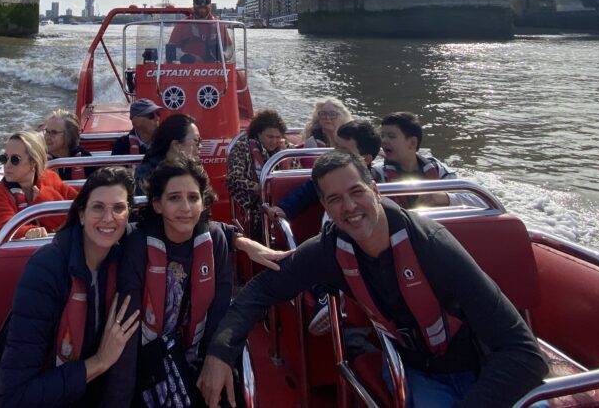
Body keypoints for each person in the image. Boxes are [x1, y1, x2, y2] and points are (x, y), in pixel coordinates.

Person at [197, 151, 548, 408]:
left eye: (356, 192)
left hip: (487, 368)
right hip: (421, 373)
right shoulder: (329, 251)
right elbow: (260, 290)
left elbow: (524, 353)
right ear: (325, 208)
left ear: (376, 191)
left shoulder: (432, 246)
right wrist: (219, 352)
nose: (349, 207)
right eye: (335, 199)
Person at [103, 158, 290, 407]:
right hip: (148, 361)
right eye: (174, 198)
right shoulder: (137, 245)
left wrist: (217, 360)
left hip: (199, 355)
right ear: (157, 204)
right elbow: (127, 332)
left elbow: (219, 314)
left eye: (193, 198)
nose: (186, 207)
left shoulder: (215, 241)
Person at [0, 167, 142, 408]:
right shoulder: (45, 272)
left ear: (128, 216)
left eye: (118, 208)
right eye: (98, 207)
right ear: (81, 215)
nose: (108, 218)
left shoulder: (127, 256)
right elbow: (13, 397)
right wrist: (100, 362)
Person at [0, 130, 79, 242]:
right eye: (4, 158)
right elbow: (2, 229)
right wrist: (28, 232)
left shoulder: (50, 178)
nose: (7, 165)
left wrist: (43, 200)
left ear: (33, 163)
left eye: (15, 159)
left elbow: (78, 207)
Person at [372, 112, 470, 208]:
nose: (383, 141)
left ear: (412, 143)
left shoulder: (438, 169)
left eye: (391, 136)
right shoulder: (377, 174)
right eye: (382, 136)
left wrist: (446, 198)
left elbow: (477, 199)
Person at [225, 109, 288, 240]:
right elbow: (234, 179)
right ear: (258, 134)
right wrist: (261, 189)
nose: (274, 141)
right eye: (270, 137)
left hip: (283, 203)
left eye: (278, 137)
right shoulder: (242, 147)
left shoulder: (286, 151)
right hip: (253, 207)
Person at [134, 113, 202, 194]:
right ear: (176, 145)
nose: (200, 146)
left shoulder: (195, 172)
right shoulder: (145, 177)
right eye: (196, 141)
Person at [168, 0, 233, 63]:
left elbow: (229, 48)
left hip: (215, 69)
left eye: (206, 1)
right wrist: (189, 57)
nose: (202, 4)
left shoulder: (219, 25)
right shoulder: (182, 25)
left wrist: (223, 56)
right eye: (198, 2)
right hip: (187, 70)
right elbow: (171, 49)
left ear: (210, 5)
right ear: (193, 4)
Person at [44, 109, 95, 181]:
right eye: (47, 131)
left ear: (69, 135)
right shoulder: (40, 159)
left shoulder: (85, 159)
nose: (47, 137)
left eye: (54, 132)